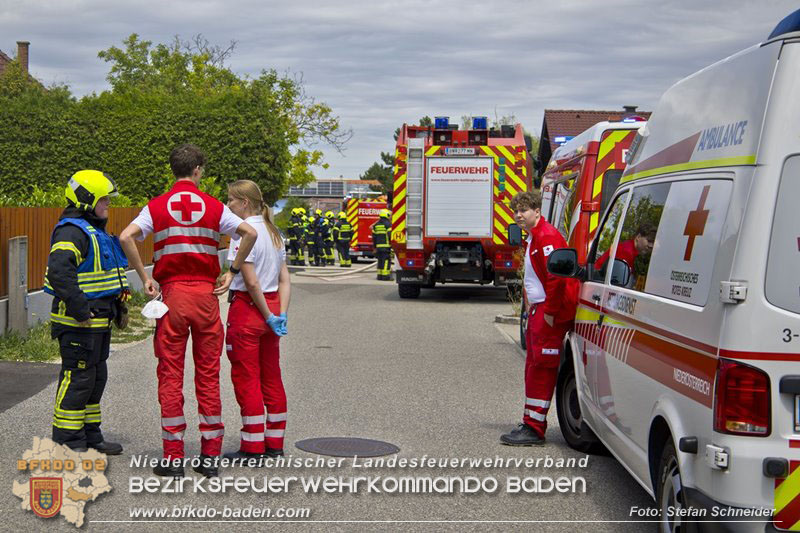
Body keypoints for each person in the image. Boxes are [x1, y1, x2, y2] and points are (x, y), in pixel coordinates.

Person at [119, 144, 257, 477]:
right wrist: (232, 271)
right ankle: (210, 456)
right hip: (205, 296)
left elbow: (126, 237)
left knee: (170, 374)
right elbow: (249, 232)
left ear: (173, 170)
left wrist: (145, 276)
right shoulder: (214, 207)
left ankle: (173, 457)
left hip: (172, 297)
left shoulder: (156, 207)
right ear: (197, 170)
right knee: (208, 375)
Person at [44, 170, 128, 454]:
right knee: (78, 379)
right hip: (78, 323)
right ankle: (67, 440)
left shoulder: (94, 231)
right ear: (86, 199)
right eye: (103, 199)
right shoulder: (72, 231)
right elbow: (59, 271)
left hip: (97, 324)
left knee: (95, 380)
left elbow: (104, 277)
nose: (108, 204)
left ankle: (91, 436)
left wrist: (119, 308)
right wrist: (80, 309)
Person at [501, 190, 579, 446]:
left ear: (537, 211)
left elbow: (557, 276)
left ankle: (534, 429)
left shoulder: (546, 237)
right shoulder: (536, 236)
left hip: (548, 312)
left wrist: (550, 313)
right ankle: (531, 421)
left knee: (542, 367)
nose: (518, 215)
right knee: (534, 366)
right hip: (540, 310)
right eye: (516, 211)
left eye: (524, 210)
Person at [222, 180, 291, 459]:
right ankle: (275, 443)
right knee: (271, 376)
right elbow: (285, 278)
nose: (228, 205)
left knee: (246, 378)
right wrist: (280, 314)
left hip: (250, 311)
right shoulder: (275, 233)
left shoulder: (242, 235)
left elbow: (250, 282)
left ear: (245, 203)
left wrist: (264, 313)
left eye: (231, 200)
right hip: (273, 306)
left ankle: (252, 447)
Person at [372, 209, 392, 280]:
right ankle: (385, 276)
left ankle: (379, 275)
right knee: (386, 260)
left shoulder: (376, 225)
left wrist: (374, 247)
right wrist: (392, 245)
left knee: (380, 261)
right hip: (386, 246)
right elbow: (390, 235)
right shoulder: (388, 224)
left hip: (378, 247)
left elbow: (374, 237)